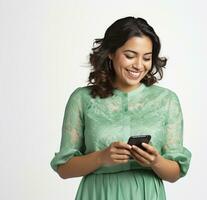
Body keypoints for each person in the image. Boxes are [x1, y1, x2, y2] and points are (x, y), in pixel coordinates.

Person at [50, 16, 191, 200]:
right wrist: (101, 157)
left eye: (147, 58)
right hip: (98, 193)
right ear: (111, 52)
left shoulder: (167, 100)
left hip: (147, 194)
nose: (139, 65)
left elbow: (175, 172)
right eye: (130, 56)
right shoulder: (82, 99)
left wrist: (156, 161)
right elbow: (64, 168)